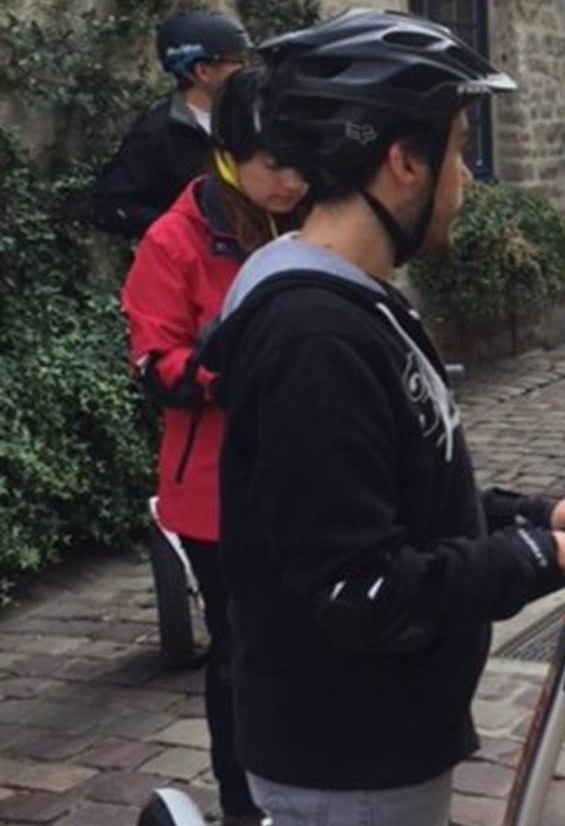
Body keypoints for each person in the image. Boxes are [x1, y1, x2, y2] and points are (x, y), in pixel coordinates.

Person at [200, 9, 565, 826]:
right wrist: (545, 557)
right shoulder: (315, 338)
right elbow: (366, 589)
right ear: (404, 161)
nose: (468, 179)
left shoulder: (358, 306)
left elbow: (403, 504)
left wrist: (540, 515)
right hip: (350, 761)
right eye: (458, 150)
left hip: (387, 745)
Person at [120, 66, 308, 825]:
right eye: (274, 166)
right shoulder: (174, 240)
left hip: (302, 476)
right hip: (215, 492)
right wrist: (221, 365)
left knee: (311, 644)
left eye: (302, 163)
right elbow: (153, 363)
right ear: (230, 153)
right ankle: (243, 805)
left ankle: (310, 788)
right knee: (241, 650)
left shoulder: (312, 219)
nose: (292, 181)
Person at [91, 9, 251, 238]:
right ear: (203, 71)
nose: (246, 70)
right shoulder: (157, 133)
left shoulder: (252, 118)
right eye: (237, 61)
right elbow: (109, 205)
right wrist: (182, 232)